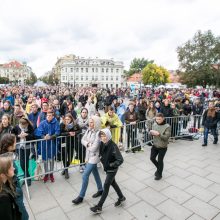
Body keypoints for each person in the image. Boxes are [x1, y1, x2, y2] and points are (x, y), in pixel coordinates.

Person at [90, 128, 125, 214]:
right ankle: (121, 197)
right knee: (113, 183)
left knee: (106, 185)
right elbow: (101, 153)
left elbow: (120, 160)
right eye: (101, 135)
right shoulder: (102, 143)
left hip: (112, 169)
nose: (102, 137)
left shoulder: (113, 146)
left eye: (104, 135)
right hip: (107, 168)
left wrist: (111, 165)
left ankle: (99, 206)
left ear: (108, 135)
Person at [72, 115, 103, 205]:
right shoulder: (89, 130)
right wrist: (88, 144)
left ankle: (81, 196)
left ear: (96, 123)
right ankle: (100, 189)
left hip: (94, 156)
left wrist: (87, 145)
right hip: (88, 155)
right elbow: (82, 140)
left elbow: (94, 148)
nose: (90, 123)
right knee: (95, 173)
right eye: (89, 122)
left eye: (92, 122)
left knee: (85, 175)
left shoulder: (98, 133)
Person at [0, 134, 29, 220]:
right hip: (13, 190)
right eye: (15, 141)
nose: (16, 143)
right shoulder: (4, 160)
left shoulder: (9, 155)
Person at [37, 110, 60, 183]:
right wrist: (44, 137)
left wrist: (51, 136)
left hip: (52, 143)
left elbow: (57, 132)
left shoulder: (56, 122)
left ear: (53, 116)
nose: (48, 117)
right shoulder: (43, 123)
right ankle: (46, 174)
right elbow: (39, 131)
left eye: (50, 116)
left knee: (51, 159)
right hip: (44, 144)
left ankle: (51, 173)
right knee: (45, 159)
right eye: (47, 115)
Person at [12, 117, 34, 186]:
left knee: (26, 161)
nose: (23, 127)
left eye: (24, 126)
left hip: (27, 146)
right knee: (21, 162)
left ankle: (26, 178)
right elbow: (12, 136)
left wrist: (27, 135)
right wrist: (19, 136)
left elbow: (33, 136)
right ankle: (27, 176)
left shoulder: (30, 127)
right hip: (19, 146)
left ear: (27, 124)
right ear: (19, 124)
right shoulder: (16, 127)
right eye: (21, 125)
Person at [150, 113, 171, 180]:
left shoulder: (167, 126)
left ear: (163, 119)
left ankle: (159, 174)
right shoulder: (154, 124)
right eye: (156, 119)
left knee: (160, 160)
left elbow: (166, 137)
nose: (158, 120)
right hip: (155, 145)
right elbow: (152, 133)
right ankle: (159, 168)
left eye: (159, 119)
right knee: (152, 158)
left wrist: (159, 134)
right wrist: (150, 133)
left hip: (163, 147)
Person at [0, 154, 22, 220]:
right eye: (11, 167)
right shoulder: (3, 198)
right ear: (3, 174)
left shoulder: (6, 182)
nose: (14, 168)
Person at [60, 113, 81, 179]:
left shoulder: (75, 124)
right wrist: (68, 133)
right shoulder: (62, 124)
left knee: (70, 158)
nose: (67, 121)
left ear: (71, 119)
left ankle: (65, 168)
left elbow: (79, 130)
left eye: (68, 119)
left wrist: (75, 133)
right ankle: (66, 171)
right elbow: (60, 133)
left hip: (72, 143)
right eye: (66, 119)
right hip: (64, 143)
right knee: (64, 156)